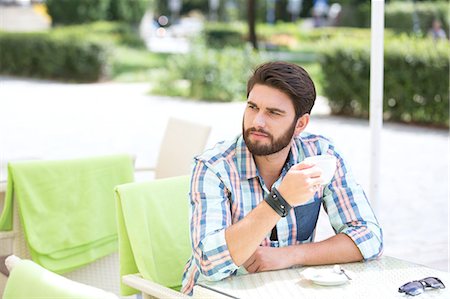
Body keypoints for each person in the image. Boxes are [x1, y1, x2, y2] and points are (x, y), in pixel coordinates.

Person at [181, 61, 383, 295]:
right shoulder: (213, 167)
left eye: (273, 113)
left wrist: (290, 255)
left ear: (300, 124)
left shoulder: (321, 155)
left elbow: (368, 237)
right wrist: (280, 200)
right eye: (252, 107)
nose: (257, 121)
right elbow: (209, 263)